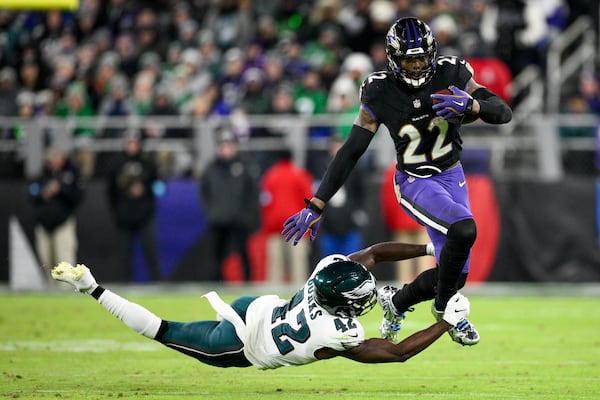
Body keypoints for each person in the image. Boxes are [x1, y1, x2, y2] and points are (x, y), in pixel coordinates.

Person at [282, 17, 512, 346]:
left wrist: (473, 105)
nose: (417, 66)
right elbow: (351, 150)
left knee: (455, 273)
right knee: (465, 229)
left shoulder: (452, 72)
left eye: (422, 58)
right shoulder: (379, 91)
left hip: (452, 174)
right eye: (409, 59)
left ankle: (396, 302)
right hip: (415, 181)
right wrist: (317, 203)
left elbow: (503, 112)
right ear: (393, 59)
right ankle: (446, 312)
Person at [50, 240, 471, 369]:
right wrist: (444, 324)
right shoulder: (339, 332)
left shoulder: (326, 271)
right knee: (164, 330)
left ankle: (92, 286)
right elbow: (396, 352)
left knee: (166, 327)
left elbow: (374, 254)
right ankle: (92, 288)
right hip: (239, 346)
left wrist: (428, 247)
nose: (366, 301)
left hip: (255, 307)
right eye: (360, 298)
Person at [200, 128, 260, 282]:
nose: (226, 149)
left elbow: (252, 192)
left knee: (243, 253)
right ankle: (215, 283)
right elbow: (204, 192)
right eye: (223, 146)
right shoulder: (211, 168)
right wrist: (211, 211)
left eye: (229, 145)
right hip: (218, 218)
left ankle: (247, 283)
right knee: (216, 255)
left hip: (239, 218)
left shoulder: (244, 166)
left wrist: (246, 214)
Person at [107, 134, 163, 281]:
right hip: (124, 216)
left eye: (135, 143)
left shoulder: (148, 164)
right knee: (124, 254)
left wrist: (146, 189)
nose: (132, 146)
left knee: (151, 252)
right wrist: (118, 211)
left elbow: (160, 188)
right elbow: (111, 192)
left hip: (145, 215)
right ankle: (125, 284)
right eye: (129, 143)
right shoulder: (116, 165)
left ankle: (157, 282)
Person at [259, 149, 313, 286]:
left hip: (275, 229)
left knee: (275, 271)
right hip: (297, 228)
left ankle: (272, 303)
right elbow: (310, 202)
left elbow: (265, 202)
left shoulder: (270, 176)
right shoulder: (300, 175)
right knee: (298, 270)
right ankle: (300, 301)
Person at [29, 147, 84, 273]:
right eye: (50, 159)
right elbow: (31, 191)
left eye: (56, 158)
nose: (53, 162)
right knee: (46, 262)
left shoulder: (70, 173)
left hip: (63, 223)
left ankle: (67, 291)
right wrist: (42, 193)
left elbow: (77, 195)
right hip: (43, 224)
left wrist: (60, 189)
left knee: (65, 262)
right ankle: (49, 289)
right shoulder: (42, 174)